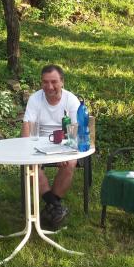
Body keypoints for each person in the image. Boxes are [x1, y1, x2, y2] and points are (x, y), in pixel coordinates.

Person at [21, 64, 81, 229]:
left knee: (70, 162)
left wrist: (62, 153)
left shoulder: (71, 100)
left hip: (65, 143)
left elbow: (76, 132)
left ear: (62, 82)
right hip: (39, 143)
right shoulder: (35, 98)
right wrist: (27, 149)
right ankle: (55, 206)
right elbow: (27, 126)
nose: (49, 87)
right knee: (31, 164)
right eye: (45, 82)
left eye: (54, 82)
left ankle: (51, 206)